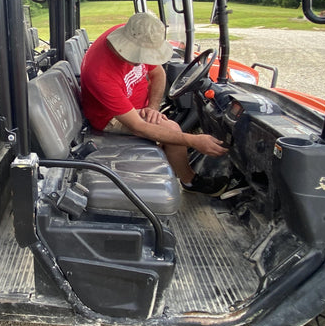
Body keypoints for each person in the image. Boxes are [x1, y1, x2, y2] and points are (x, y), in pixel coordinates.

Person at [79, 11, 229, 194]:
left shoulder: (137, 33)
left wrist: (153, 108)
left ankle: (172, 164)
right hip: (109, 117)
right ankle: (189, 181)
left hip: (138, 107)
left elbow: (158, 74)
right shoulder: (100, 73)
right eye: (139, 56)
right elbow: (138, 127)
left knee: (168, 129)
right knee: (172, 130)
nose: (142, 61)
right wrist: (194, 141)